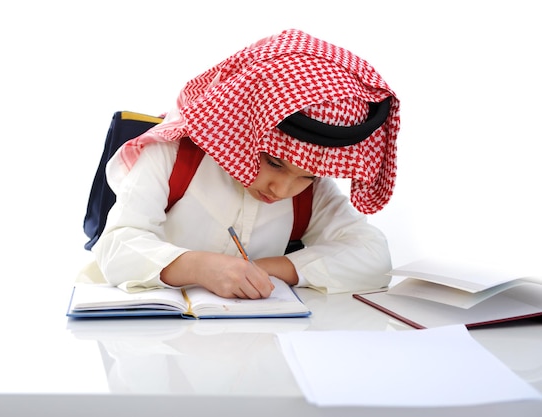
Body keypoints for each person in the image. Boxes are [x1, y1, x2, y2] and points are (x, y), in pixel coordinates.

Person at [92, 29, 401, 299]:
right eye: (275, 163)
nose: (282, 189)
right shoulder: (172, 156)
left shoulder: (311, 192)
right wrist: (198, 267)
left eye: (306, 175)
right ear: (242, 130)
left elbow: (373, 256)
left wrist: (261, 270)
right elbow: (114, 248)